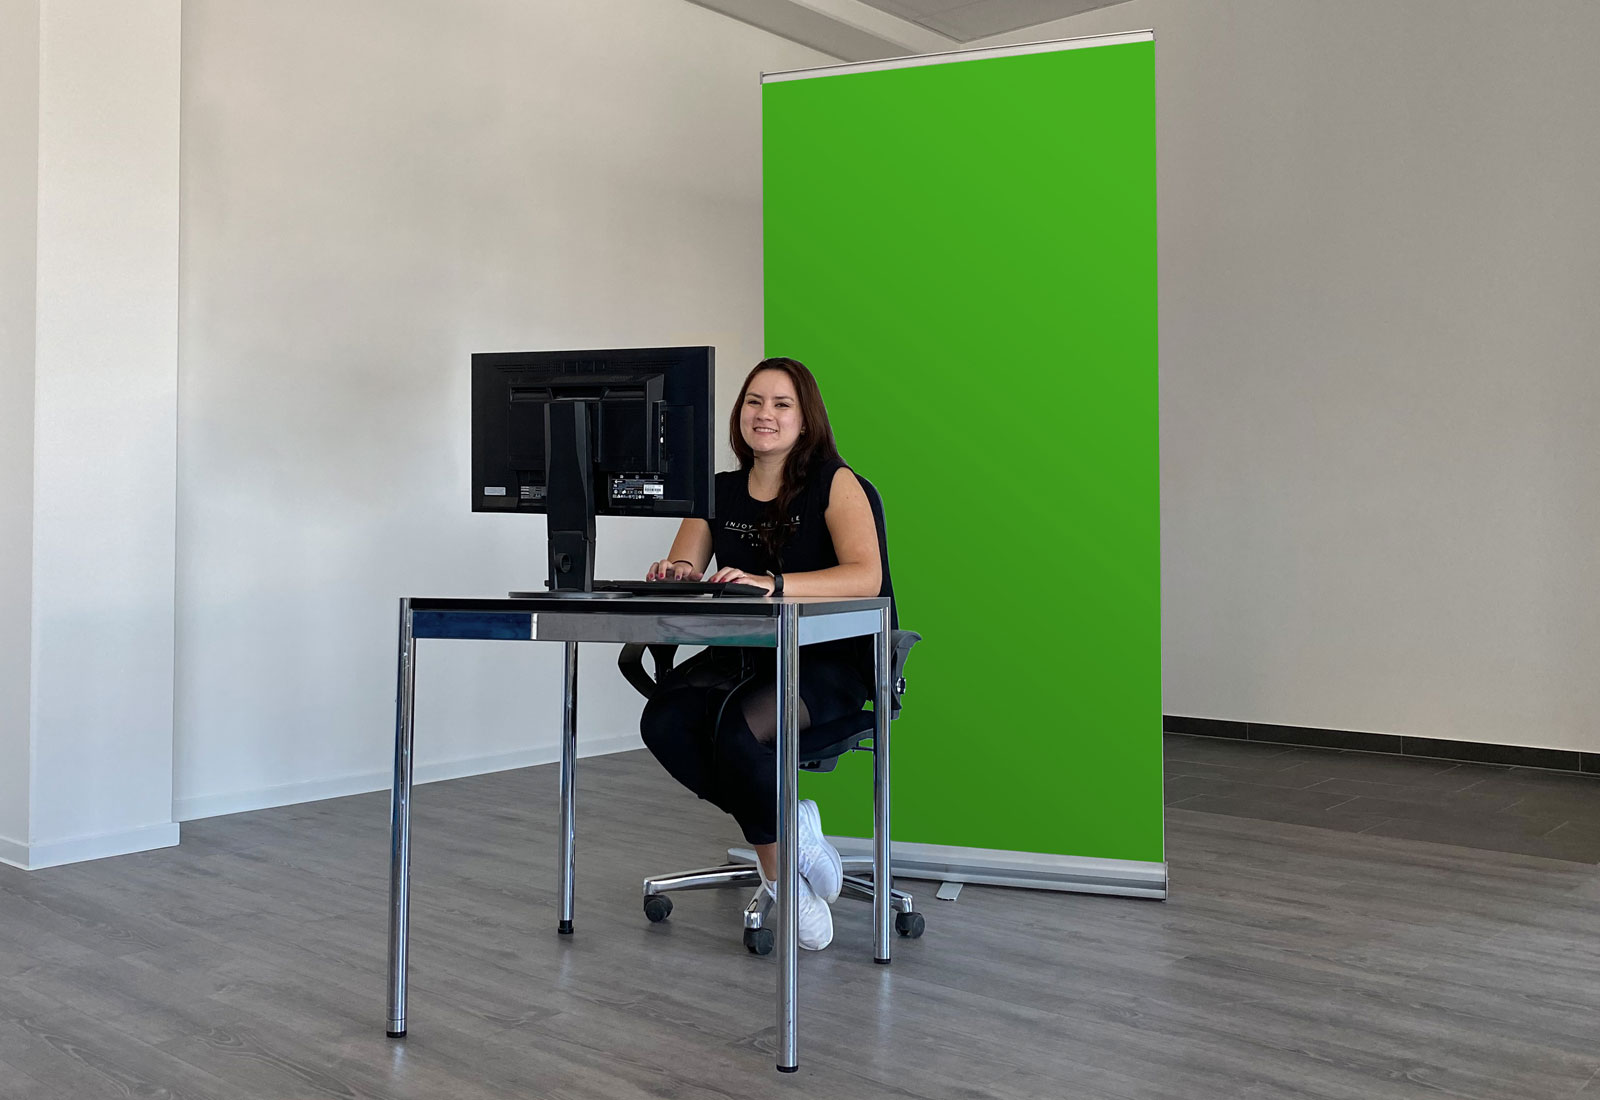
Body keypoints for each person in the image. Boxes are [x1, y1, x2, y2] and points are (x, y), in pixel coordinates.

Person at [640, 356, 895, 951]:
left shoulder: (836, 482)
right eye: (754, 401)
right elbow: (687, 564)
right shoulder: (717, 491)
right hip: (744, 656)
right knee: (664, 721)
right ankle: (792, 831)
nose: (765, 414)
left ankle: (782, 879)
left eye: (782, 404)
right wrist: (676, 574)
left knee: (739, 732)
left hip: (829, 660)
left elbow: (866, 576)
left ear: (806, 419)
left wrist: (773, 584)